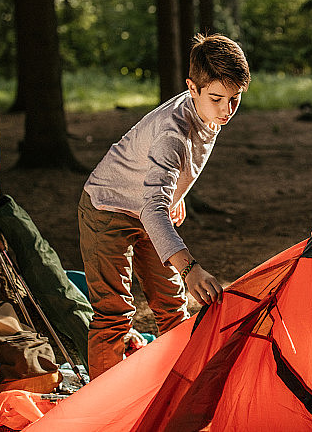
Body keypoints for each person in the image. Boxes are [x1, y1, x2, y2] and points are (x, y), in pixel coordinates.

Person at [78, 33, 250, 378]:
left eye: (235, 98)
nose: (227, 110)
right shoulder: (173, 133)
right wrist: (191, 269)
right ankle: (104, 401)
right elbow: (153, 205)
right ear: (192, 88)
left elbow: (162, 182)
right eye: (217, 99)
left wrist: (175, 195)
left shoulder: (208, 111)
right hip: (107, 208)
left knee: (172, 306)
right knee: (114, 313)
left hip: (150, 208)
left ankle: (177, 387)